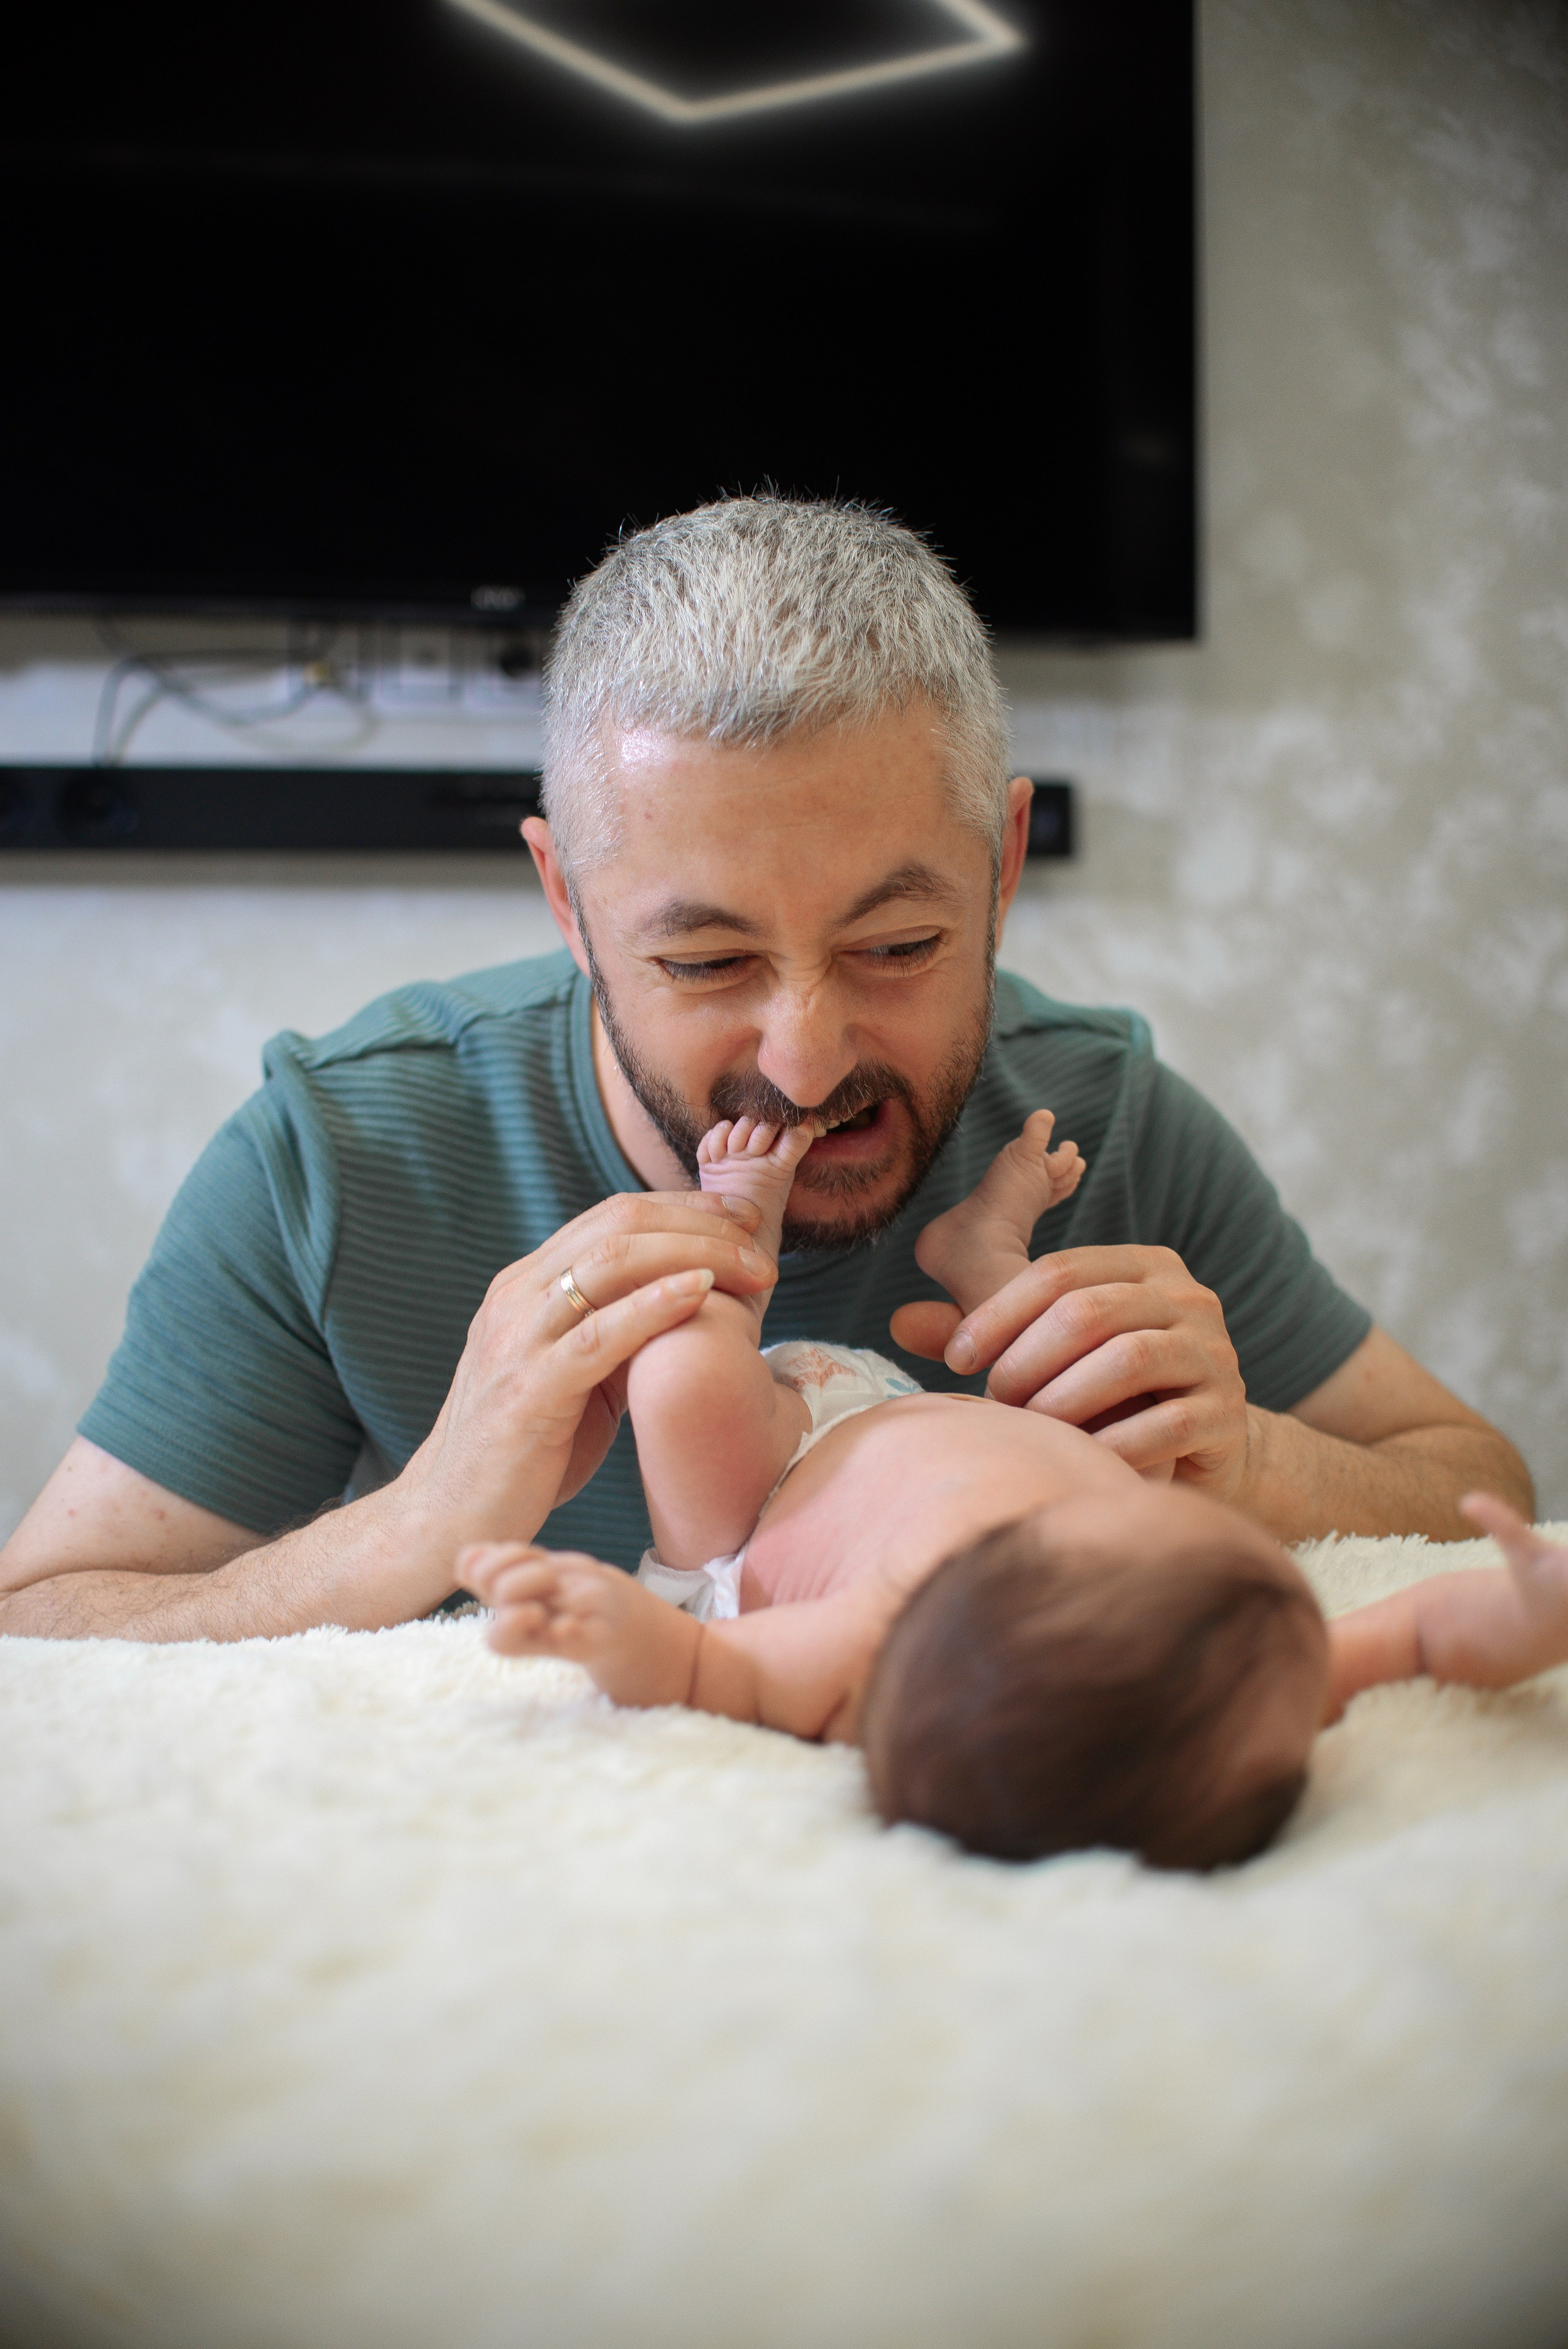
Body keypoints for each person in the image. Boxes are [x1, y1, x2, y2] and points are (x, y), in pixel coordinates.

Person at [0, 498, 1532, 1642]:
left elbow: (1475, 1481)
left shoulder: (1098, 1122)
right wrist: (410, 1526)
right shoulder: (338, 1154)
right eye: (705, 962)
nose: (804, 1060)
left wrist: (1252, 1456)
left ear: (999, 865)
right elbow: (40, 1619)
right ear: (567, 905)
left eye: (895, 945)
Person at [462, 1111, 1567, 1871]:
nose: (1236, 1554)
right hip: (964, 1420)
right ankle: (982, 1249)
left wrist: (604, 1627)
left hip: (772, 1487)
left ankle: (735, 1229)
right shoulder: (1243, 1667)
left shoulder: (892, 1641)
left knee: (683, 1372)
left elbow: (709, 1671)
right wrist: (1526, 1614)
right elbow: (1420, 1639)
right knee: (1096, 1382)